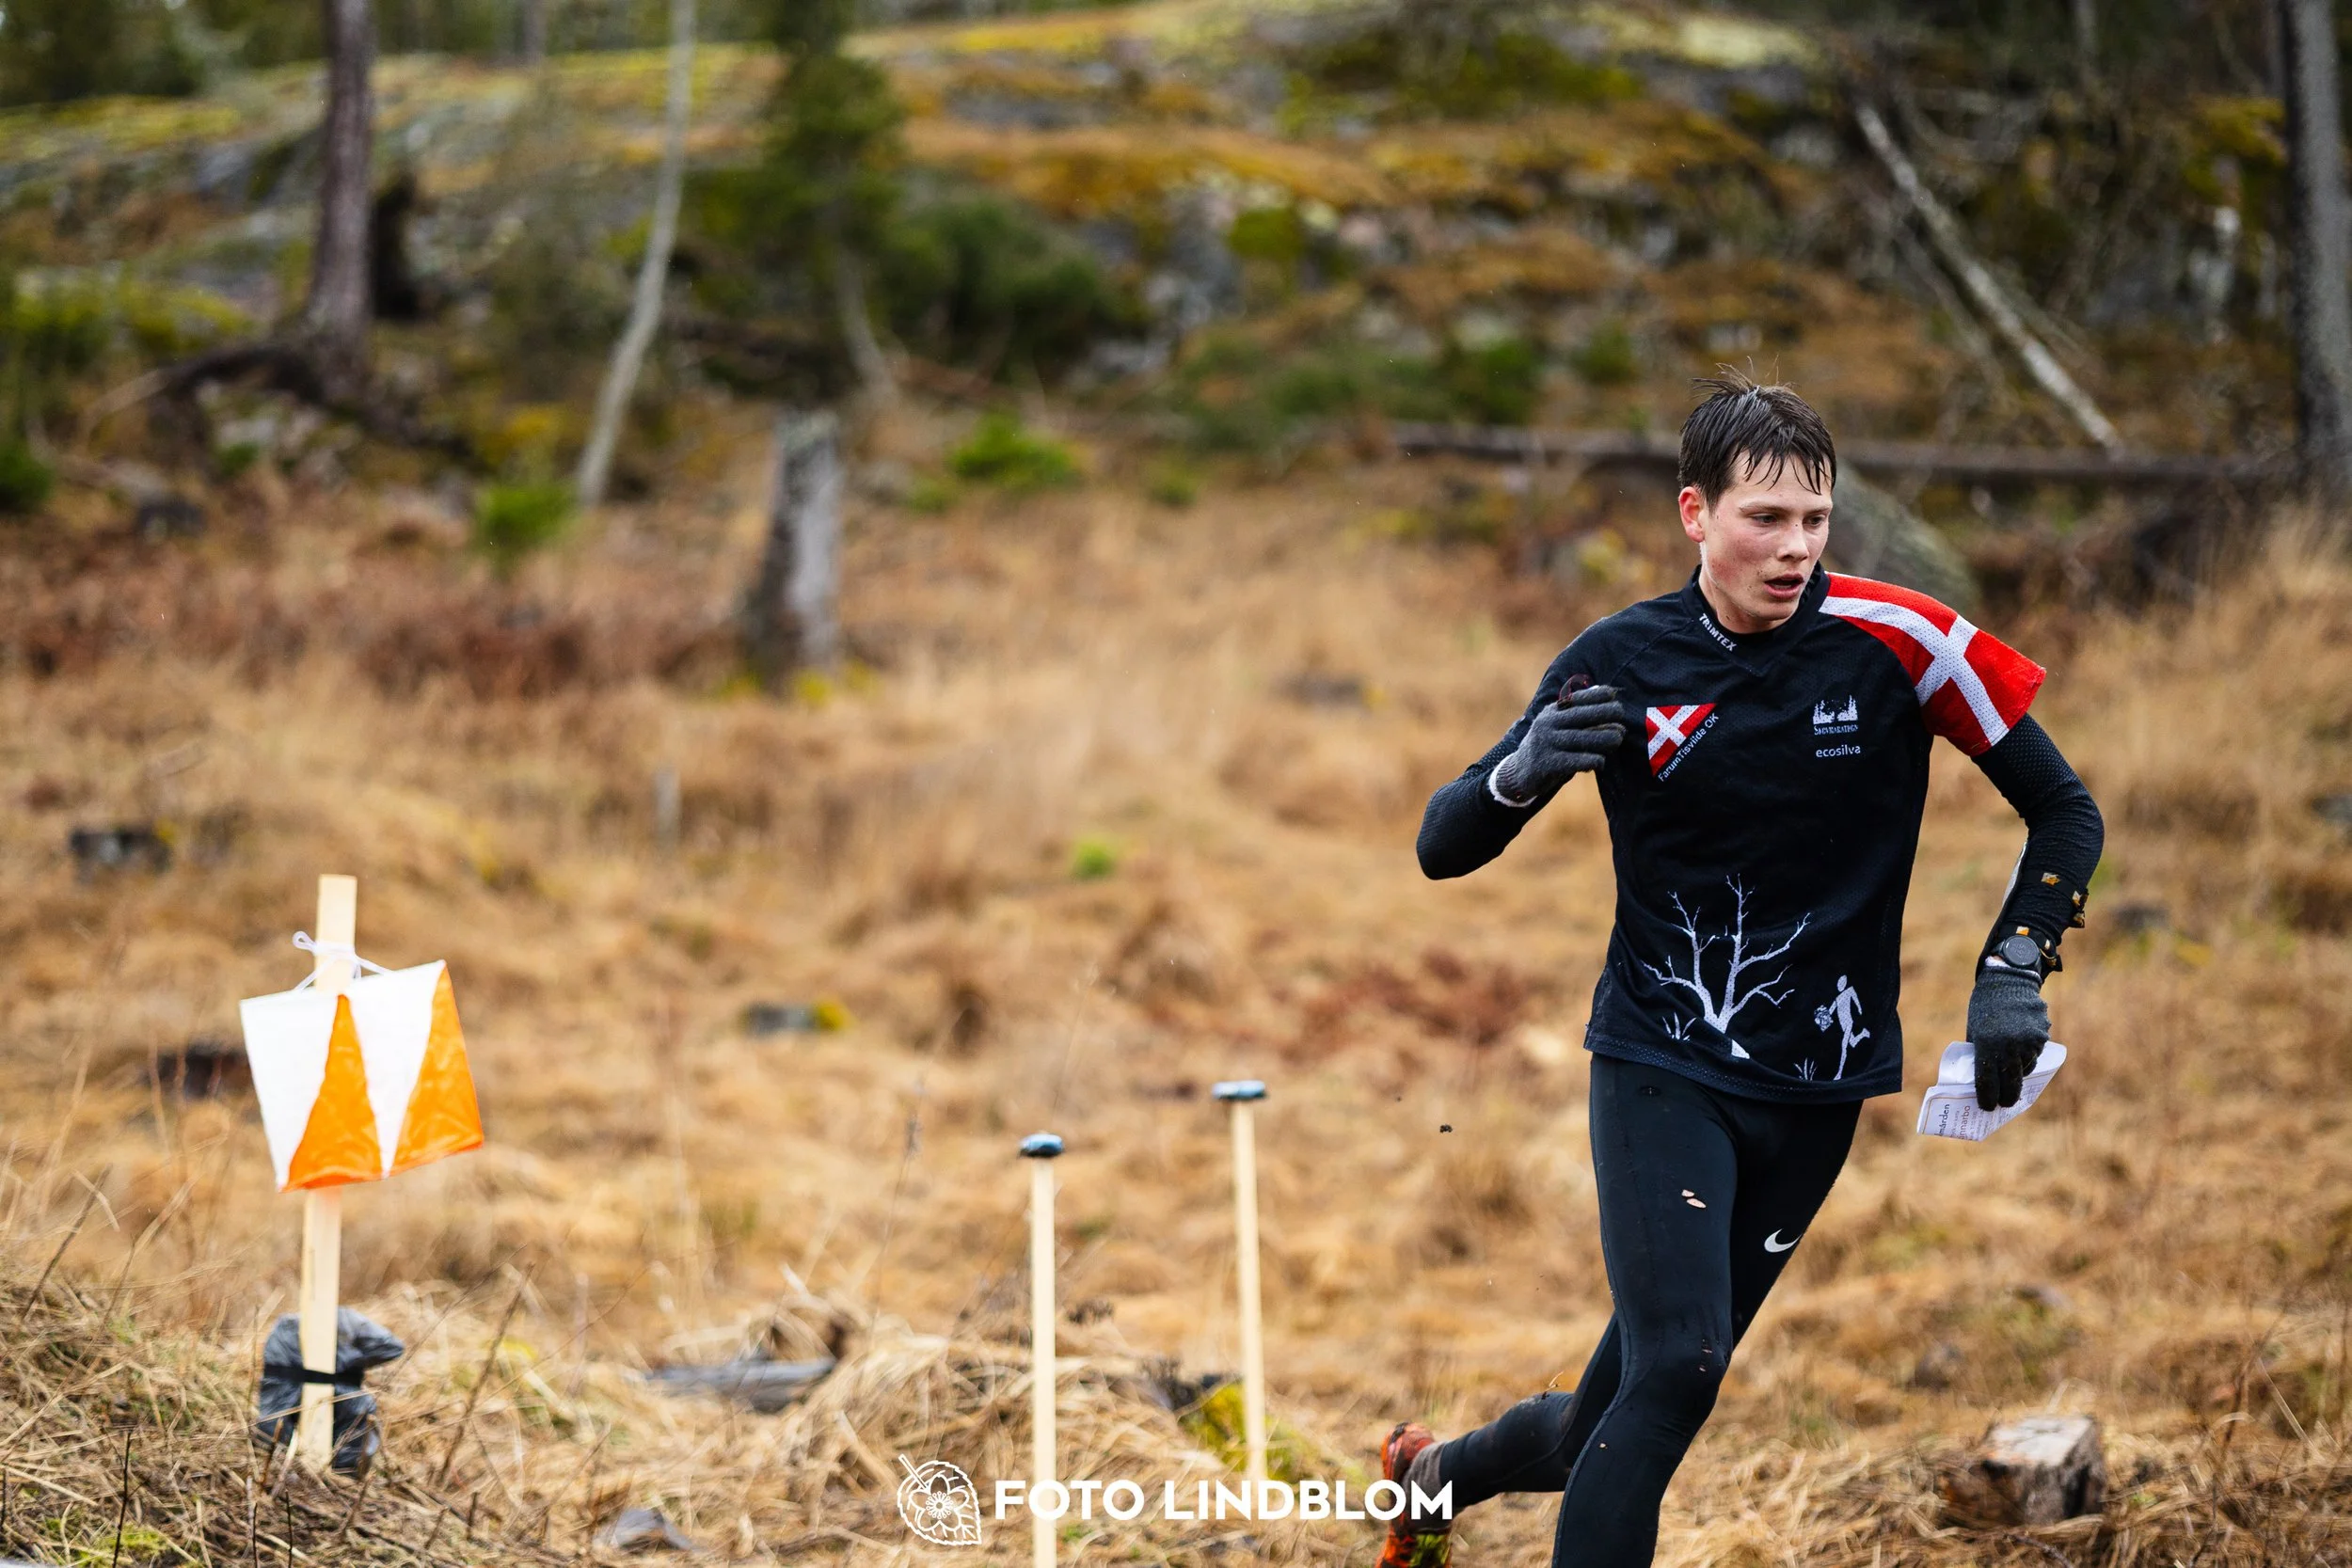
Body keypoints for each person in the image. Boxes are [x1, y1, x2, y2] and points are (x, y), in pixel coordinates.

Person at [1380, 374, 2105, 1568]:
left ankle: (1430, 1477)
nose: (1794, 548)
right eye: (1764, 518)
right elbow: (1439, 846)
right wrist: (1519, 774)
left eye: (1813, 520)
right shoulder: (1619, 656)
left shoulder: (1906, 640)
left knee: (1606, 1420)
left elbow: (2064, 810)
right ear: (1694, 514)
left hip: (1818, 1089)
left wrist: (2014, 965)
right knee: (1678, 1369)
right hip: (1662, 1059)